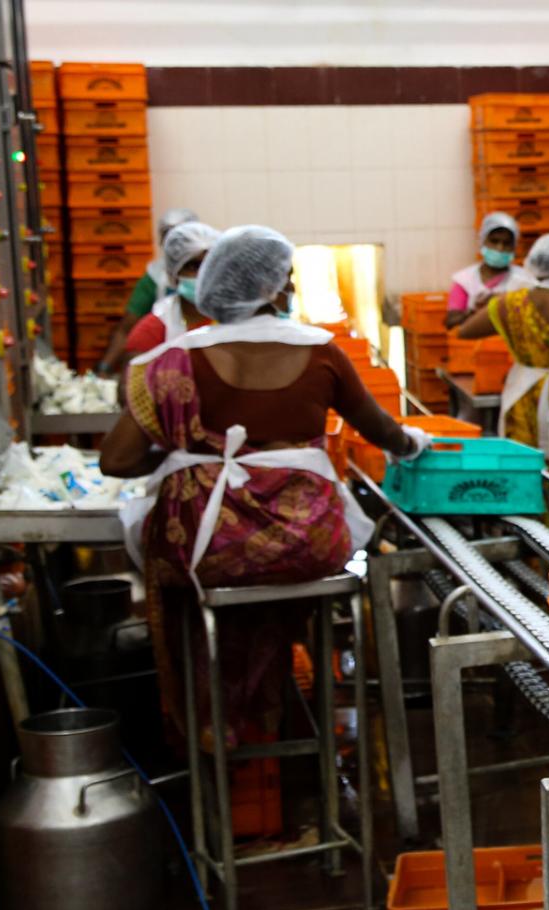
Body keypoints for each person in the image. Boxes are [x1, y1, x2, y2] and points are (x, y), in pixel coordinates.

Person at [101, 225, 430, 746]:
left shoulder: (172, 361)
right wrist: (415, 444)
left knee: (187, 595)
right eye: (288, 278)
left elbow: (116, 461)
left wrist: (185, 456)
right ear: (273, 289)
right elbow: (384, 432)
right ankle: (278, 705)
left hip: (206, 549)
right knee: (278, 602)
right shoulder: (322, 352)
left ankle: (211, 722)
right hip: (309, 546)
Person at [453, 233, 549, 522]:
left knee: (526, 469)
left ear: (533, 265)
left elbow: (464, 331)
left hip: (523, 402)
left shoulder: (510, 304)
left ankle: (530, 545)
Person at [97, 207, 200, 373]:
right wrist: (104, 368)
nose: (176, 246)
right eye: (169, 237)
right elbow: (126, 329)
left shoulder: (214, 276)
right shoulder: (154, 280)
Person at [119, 221, 220, 359]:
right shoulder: (153, 330)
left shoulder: (236, 321)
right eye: (193, 266)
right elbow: (135, 377)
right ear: (174, 274)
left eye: (210, 265)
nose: (202, 274)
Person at [445, 211, 537, 331]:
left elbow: (536, 319)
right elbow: (450, 322)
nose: (500, 248)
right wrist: (476, 311)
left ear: (514, 247)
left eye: (506, 243)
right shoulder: (464, 280)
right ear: (483, 241)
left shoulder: (525, 280)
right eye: (494, 241)